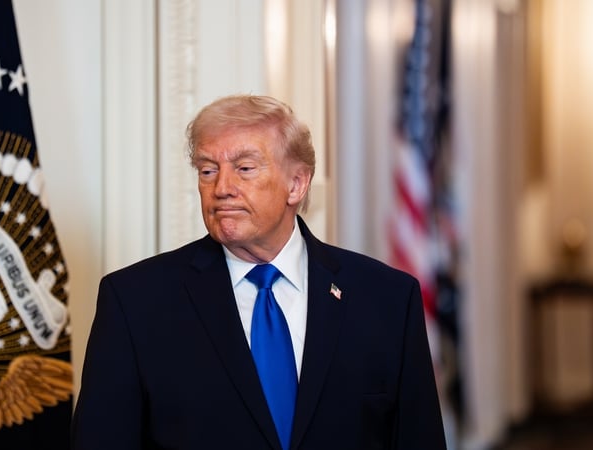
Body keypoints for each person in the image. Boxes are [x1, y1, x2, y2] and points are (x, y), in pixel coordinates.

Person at [71, 94, 446, 449]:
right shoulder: (135, 301)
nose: (221, 188)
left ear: (296, 184)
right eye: (207, 170)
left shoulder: (387, 299)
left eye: (244, 169)